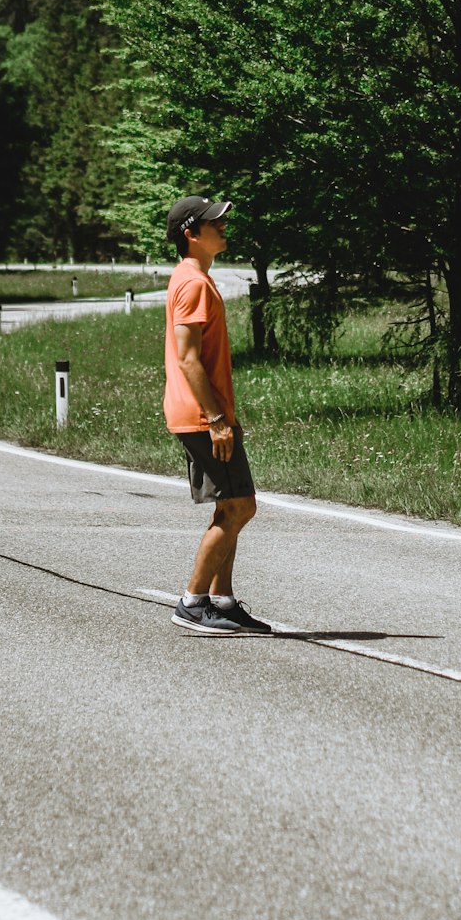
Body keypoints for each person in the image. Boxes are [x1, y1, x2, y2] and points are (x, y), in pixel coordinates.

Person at [163, 194, 272, 633]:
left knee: (231, 505)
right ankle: (192, 602)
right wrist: (216, 419)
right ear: (191, 233)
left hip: (205, 414)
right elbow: (188, 358)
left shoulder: (193, 278)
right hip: (199, 417)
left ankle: (222, 602)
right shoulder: (193, 283)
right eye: (214, 223)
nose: (224, 226)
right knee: (240, 507)